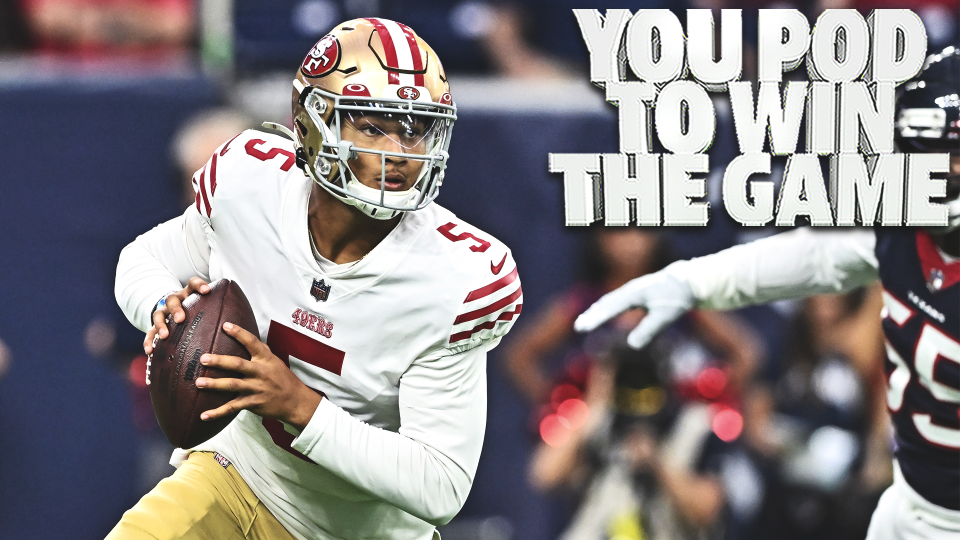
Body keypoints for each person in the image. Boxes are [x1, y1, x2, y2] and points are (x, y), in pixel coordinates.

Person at [111, 18, 522, 540]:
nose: (400, 151)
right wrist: (162, 304)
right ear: (314, 121)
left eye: (414, 128)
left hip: (360, 530)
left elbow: (440, 484)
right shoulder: (251, 183)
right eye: (373, 125)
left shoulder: (457, 276)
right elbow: (141, 259)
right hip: (238, 476)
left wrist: (299, 406)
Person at [575, 47, 960, 540]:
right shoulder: (899, 223)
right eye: (929, 151)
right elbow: (812, 257)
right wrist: (689, 281)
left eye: (956, 154)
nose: (944, 170)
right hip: (909, 507)